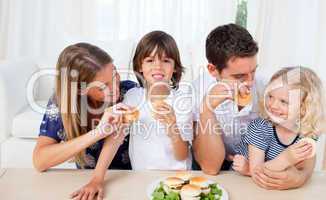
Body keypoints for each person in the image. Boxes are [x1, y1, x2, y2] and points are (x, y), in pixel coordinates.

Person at [192, 23, 316, 190]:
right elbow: (211, 167)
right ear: (213, 70)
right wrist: (206, 111)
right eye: (239, 76)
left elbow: (303, 130)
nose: (250, 82)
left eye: (253, 71)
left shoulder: (269, 88)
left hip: (256, 170)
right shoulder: (196, 92)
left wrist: (301, 176)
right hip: (213, 170)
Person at [33, 43, 136, 200]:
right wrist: (97, 133)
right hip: (84, 182)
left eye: (115, 74)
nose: (115, 87)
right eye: (103, 86)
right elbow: (40, 161)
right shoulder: (63, 104)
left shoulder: (129, 92)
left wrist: (97, 179)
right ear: (81, 89)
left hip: (130, 179)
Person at [233, 67, 325, 179]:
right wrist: (286, 158)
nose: (273, 105)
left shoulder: (308, 132)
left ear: (303, 108)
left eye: (283, 101)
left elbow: (300, 170)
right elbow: (257, 173)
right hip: (242, 180)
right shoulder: (260, 127)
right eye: (270, 96)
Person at [123, 31, 193, 170]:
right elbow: (117, 136)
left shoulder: (183, 102)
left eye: (166, 60)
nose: (158, 66)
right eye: (150, 60)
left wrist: (173, 128)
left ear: (175, 68)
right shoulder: (132, 97)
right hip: (140, 176)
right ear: (139, 67)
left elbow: (182, 155)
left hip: (176, 178)